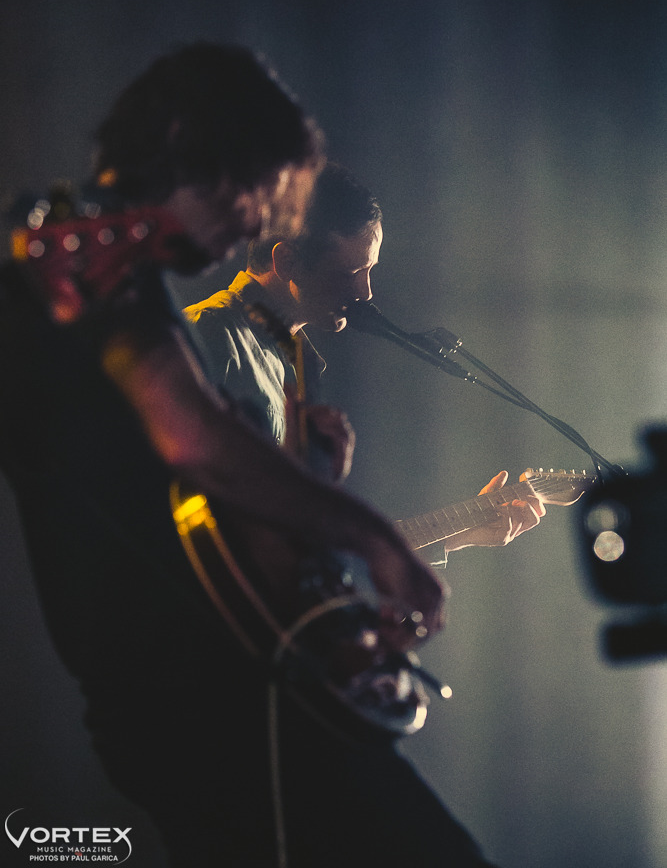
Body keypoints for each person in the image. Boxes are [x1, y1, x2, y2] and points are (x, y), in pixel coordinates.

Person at [0, 44, 501, 867]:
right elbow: (194, 441)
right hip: (192, 693)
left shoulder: (135, 290)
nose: (261, 223)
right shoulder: (88, 261)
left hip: (214, 676)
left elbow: (180, 483)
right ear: (191, 151)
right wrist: (372, 538)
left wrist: (310, 489)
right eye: (262, 192)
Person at [184, 161, 545, 553]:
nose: (365, 292)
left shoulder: (298, 368)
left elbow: (304, 548)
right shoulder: (208, 336)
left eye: (369, 270)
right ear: (286, 261)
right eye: (349, 273)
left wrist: (457, 536)